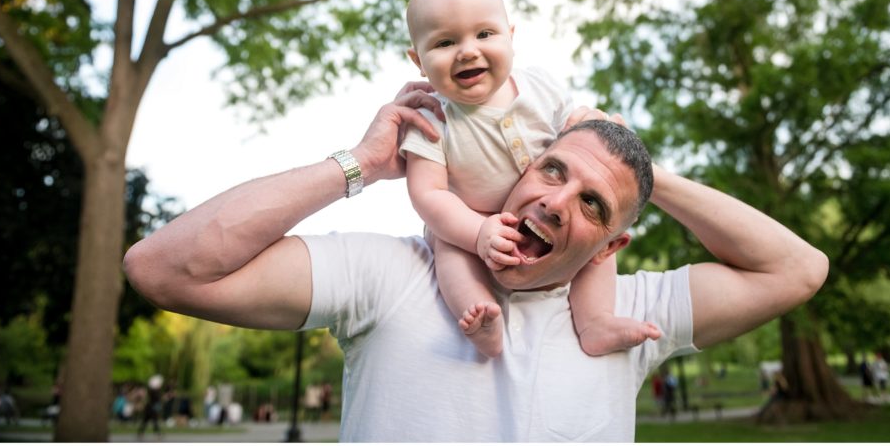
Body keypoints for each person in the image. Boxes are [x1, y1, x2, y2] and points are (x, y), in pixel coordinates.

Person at [123, 82, 829, 441]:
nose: (557, 203)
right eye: (552, 171)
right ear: (520, 172)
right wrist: (359, 166)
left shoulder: (624, 319)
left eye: (593, 206)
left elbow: (797, 269)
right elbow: (165, 268)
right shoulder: (391, 276)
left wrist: (641, 170)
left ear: (611, 246)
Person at [400, 0, 658, 358]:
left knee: (596, 242)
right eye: (445, 42)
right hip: (469, 220)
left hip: (550, 214)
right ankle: (482, 321)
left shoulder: (541, 88)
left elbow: (577, 134)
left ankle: (596, 321)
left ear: (511, 36)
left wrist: (595, 122)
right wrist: (476, 232)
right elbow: (428, 193)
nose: (467, 51)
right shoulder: (433, 119)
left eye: (485, 34)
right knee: (450, 254)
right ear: (418, 61)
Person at [137, 374, 163, 439]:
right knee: (153, 421)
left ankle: (141, 433)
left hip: (149, 408)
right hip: (152, 408)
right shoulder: (154, 391)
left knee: (146, 421)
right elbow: (157, 400)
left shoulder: (151, 390)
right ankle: (157, 434)